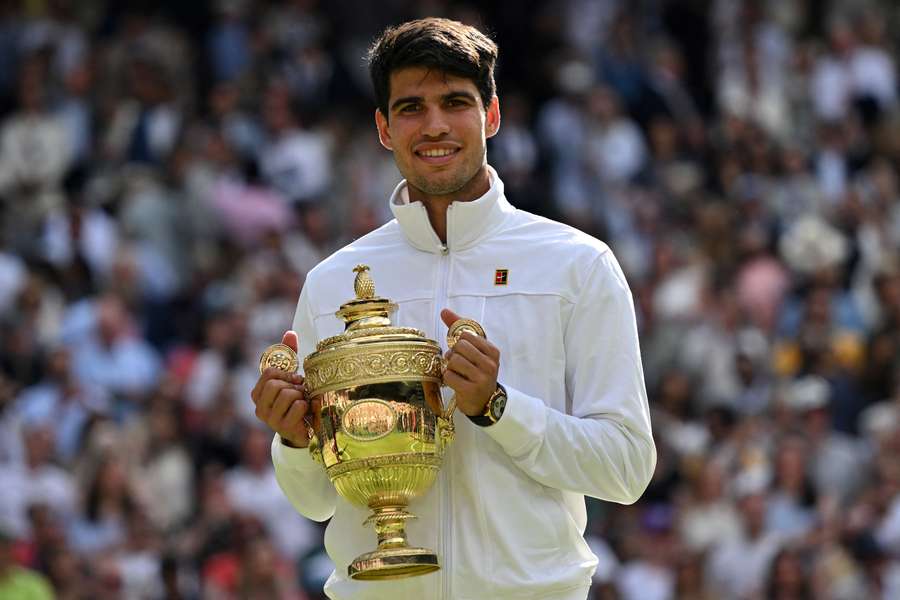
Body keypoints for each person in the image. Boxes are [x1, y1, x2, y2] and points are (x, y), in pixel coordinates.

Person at [250, 17, 655, 600]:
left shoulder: (578, 265)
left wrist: (497, 407)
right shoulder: (331, 282)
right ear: (384, 128)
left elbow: (626, 469)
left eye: (455, 102)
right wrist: (291, 439)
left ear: (492, 115)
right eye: (411, 107)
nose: (434, 125)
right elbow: (315, 501)